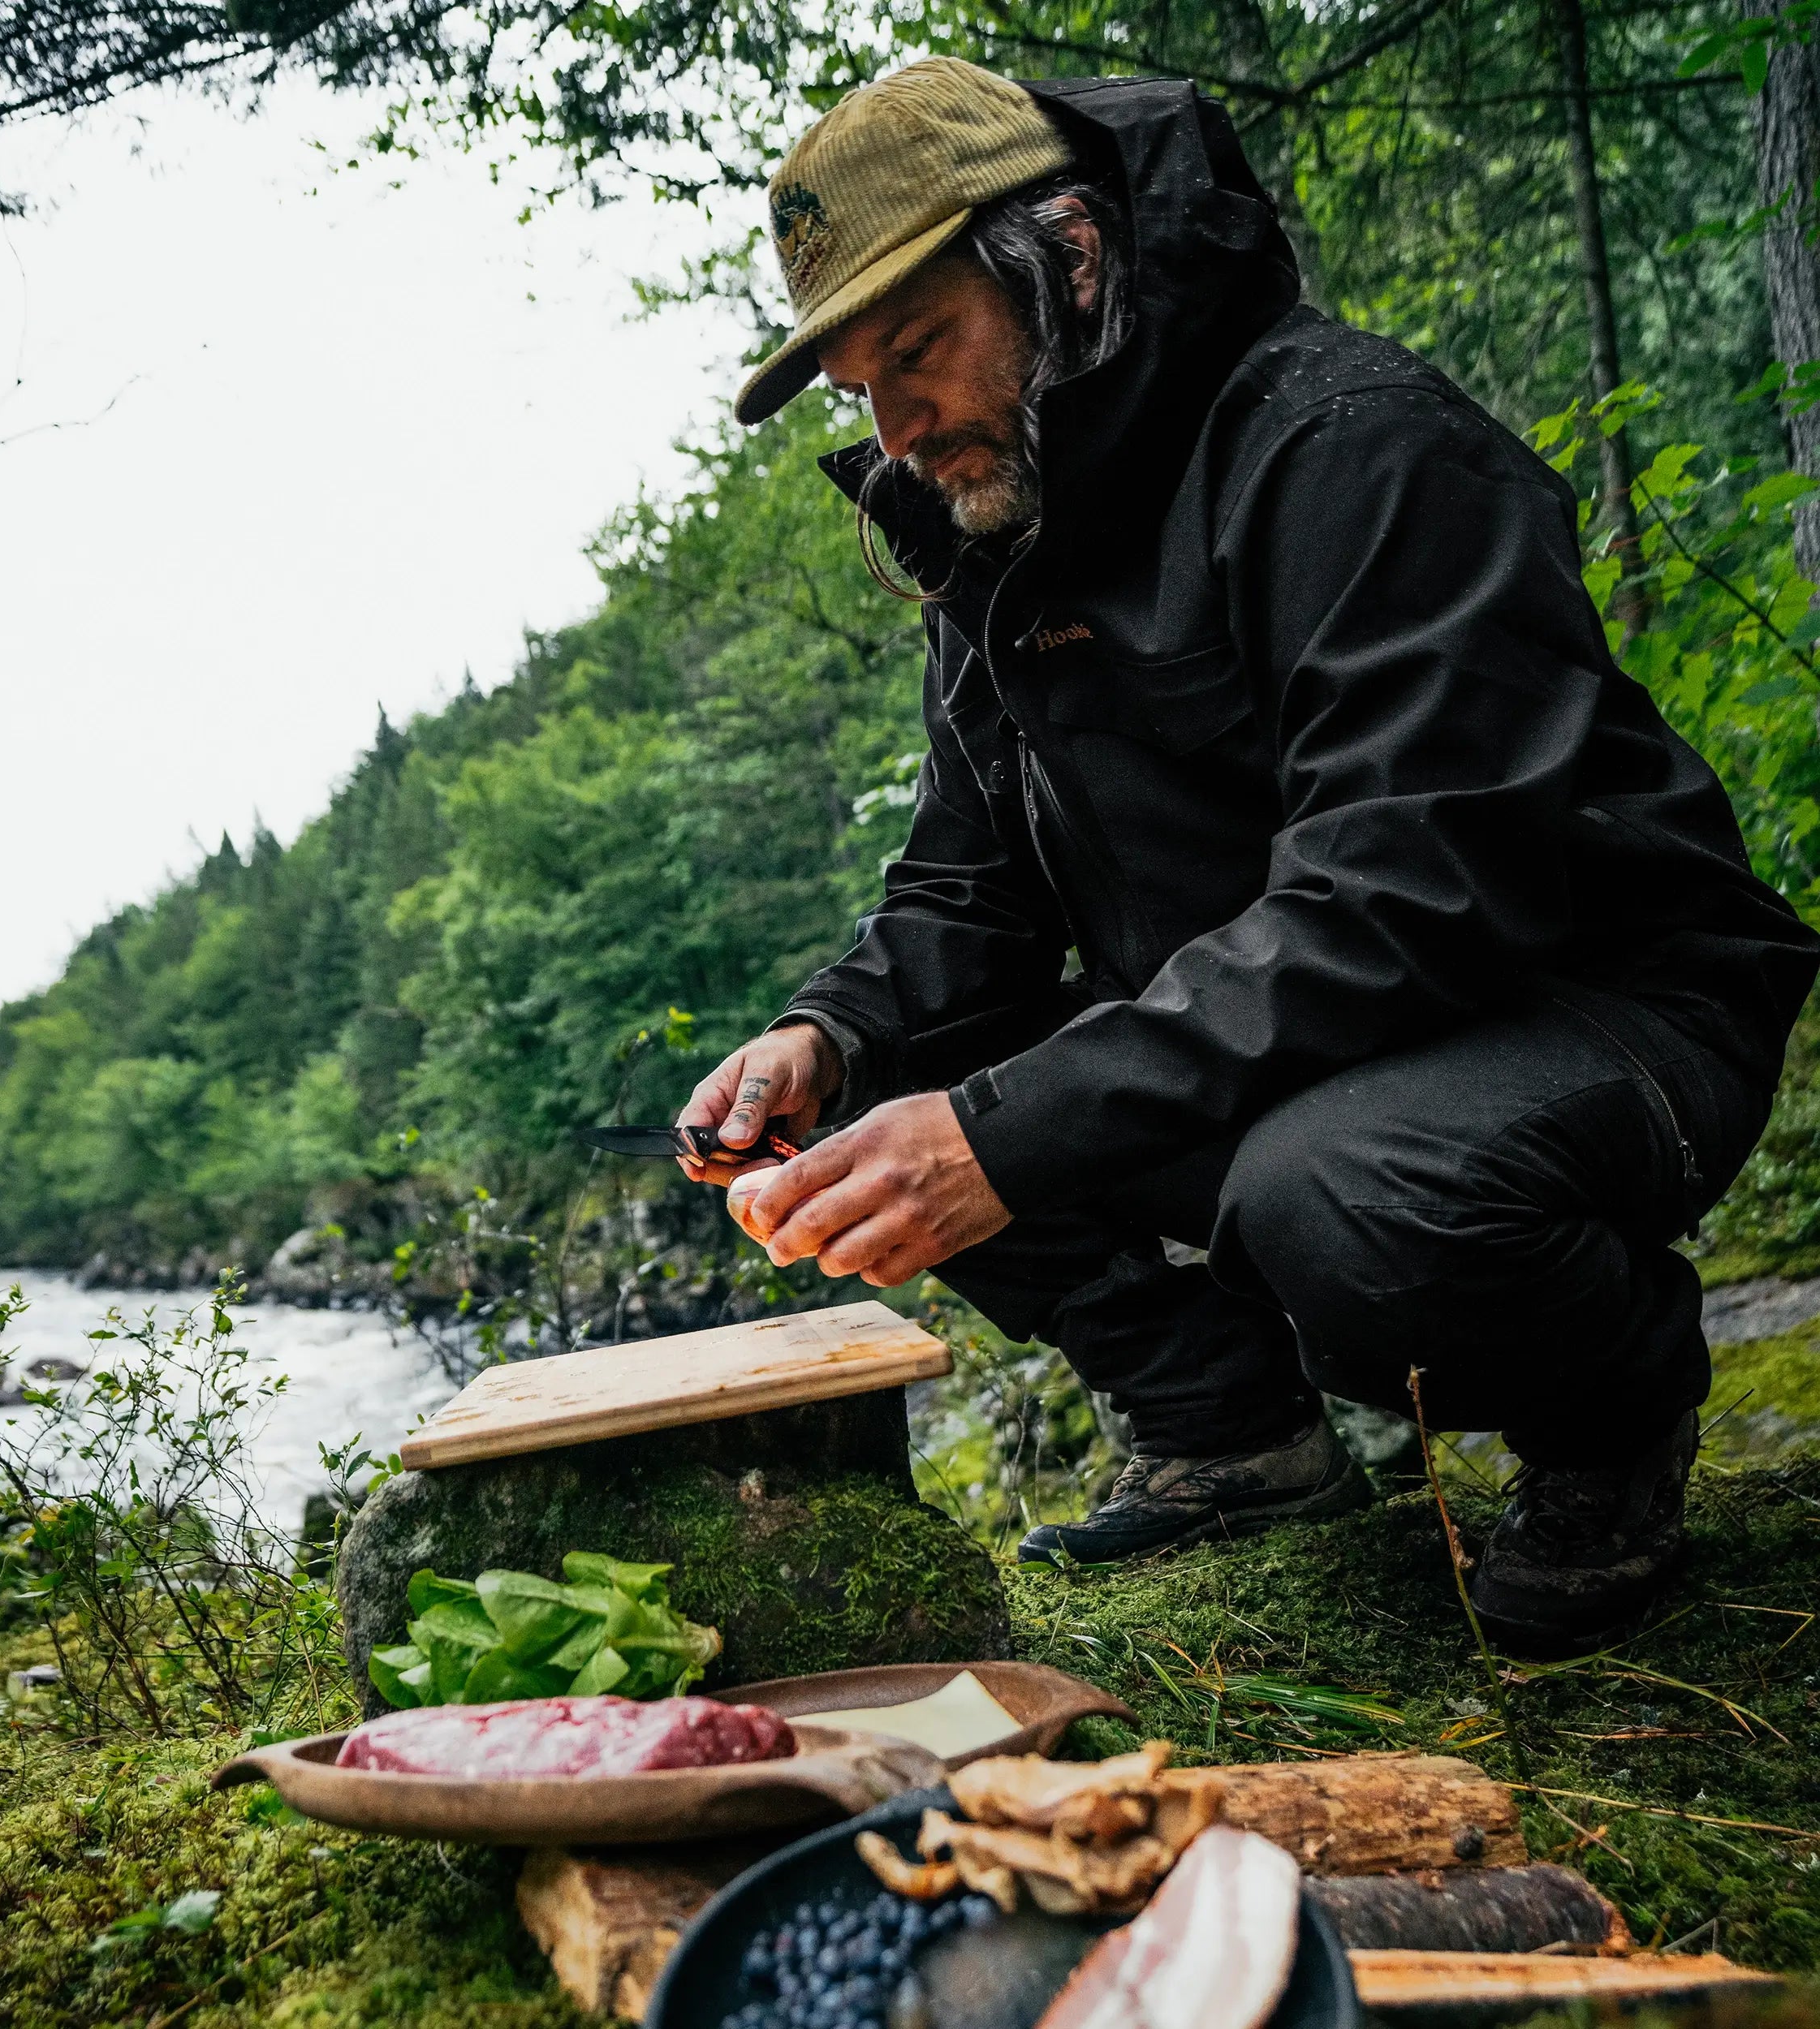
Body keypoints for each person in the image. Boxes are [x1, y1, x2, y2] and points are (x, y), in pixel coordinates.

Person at [673, 58, 1819, 1652]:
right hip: (1292, 1025)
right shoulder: (991, 548)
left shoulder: (1352, 445)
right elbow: (962, 894)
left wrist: (1003, 1131)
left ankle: (1611, 1417)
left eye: (917, 350)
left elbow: (1401, 899)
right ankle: (1231, 1438)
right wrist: (823, 1032)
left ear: (1065, 265)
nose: (892, 425)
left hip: (1592, 1004)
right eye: (857, 385)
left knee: (1339, 1197)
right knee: (868, 1099)